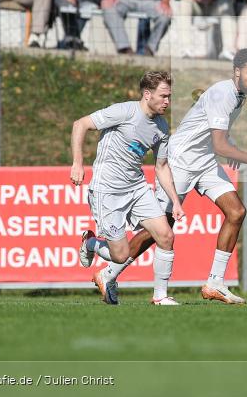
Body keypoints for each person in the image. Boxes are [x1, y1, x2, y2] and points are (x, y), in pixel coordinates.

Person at [93, 50, 247, 305]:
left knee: (237, 212)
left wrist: (232, 141)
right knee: (160, 229)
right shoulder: (223, 93)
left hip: (205, 162)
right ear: (237, 71)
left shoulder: (239, 95)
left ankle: (215, 283)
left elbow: (215, 134)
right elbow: (219, 145)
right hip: (180, 160)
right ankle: (109, 273)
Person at [71, 71, 184, 306]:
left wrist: (175, 200)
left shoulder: (162, 127)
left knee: (165, 235)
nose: (167, 102)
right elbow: (80, 124)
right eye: (163, 96)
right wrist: (77, 163)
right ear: (147, 94)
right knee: (120, 255)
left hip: (136, 187)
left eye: (169, 97)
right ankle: (90, 243)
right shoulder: (124, 111)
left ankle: (160, 296)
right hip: (107, 189)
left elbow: (161, 167)